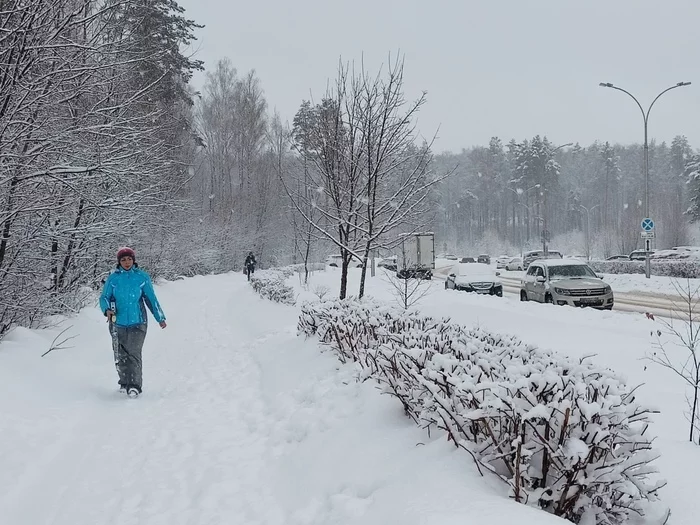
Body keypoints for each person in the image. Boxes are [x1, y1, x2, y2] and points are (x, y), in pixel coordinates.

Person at [100, 247, 166, 397]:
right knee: (120, 354)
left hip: (138, 322)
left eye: (129, 259)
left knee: (134, 353)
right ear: (119, 262)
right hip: (117, 322)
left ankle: (135, 385)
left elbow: (151, 299)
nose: (127, 262)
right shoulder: (113, 278)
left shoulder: (141, 277)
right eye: (123, 260)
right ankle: (124, 383)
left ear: (133, 260)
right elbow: (104, 297)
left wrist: (160, 318)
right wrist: (107, 310)